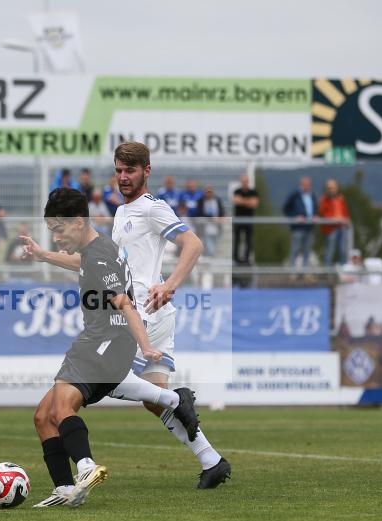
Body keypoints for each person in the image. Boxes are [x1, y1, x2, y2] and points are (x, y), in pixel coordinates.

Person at [22, 141, 231, 490]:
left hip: (140, 313)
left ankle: (171, 402)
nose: (123, 177)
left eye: (130, 170)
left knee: (99, 381)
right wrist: (45, 256)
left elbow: (193, 244)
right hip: (146, 313)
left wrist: (170, 285)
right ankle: (212, 461)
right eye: (118, 170)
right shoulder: (122, 213)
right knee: (152, 399)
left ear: (146, 171)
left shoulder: (152, 208)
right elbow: (93, 262)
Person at [29, 188, 200, 508]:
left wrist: (145, 346)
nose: (56, 238)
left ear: (78, 222)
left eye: (59, 230)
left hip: (105, 342)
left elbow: (124, 303)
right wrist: (44, 255)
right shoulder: (96, 249)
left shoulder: (100, 255)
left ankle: (86, 467)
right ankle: (65, 490)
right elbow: (82, 262)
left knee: (61, 407)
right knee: (43, 416)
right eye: (52, 231)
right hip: (101, 342)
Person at [283, 176, 317, 268]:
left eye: (309, 185)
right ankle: (293, 270)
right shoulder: (294, 195)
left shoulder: (312, 195)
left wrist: (315, 215)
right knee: (295, 249)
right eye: (305, 185)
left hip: (309, 227)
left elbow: (315, 208)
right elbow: (286, 209)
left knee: (307, 250)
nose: (307, 186)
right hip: (298, 227)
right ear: (301, 185)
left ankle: (305, 271)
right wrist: (295, 217)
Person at [318, 179, 350, 265]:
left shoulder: (341, 198)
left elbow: (345, 211)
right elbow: (322, 213)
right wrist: (333, 219)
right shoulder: (324, 199)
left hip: (342, 227)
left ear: (337, 188)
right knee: (329, 250)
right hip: (331, 228)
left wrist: (346, 219)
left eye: (333, 187)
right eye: (329, 188)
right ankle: (327, 270)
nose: (332, 190)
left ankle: (344, 269)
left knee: (343, 250)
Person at [231, 173, 258, 265]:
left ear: (248, 182)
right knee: (237, 240)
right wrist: (248, 201)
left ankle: (246, 259)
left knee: (248, 240)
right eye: (243, 181)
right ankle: (236, 259)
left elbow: (254, 203)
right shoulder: (237, 191)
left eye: (246, 181)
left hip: (249, 220)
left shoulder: (253, 192)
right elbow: (236, 201)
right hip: (238, 220)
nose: (244, 183)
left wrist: (242, 201)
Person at [199, 186, 225, 258]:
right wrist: (210, 218)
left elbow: (221, 212)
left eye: (210, 192)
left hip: (217, 225)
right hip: (205, 225)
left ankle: (213, 257)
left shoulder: (217, 200)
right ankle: (210, 256)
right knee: (207, 243)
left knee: (216, 242)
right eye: (207, 192)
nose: (209, 194)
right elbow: (200, 213)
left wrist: (220, 219)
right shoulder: (201, 201)